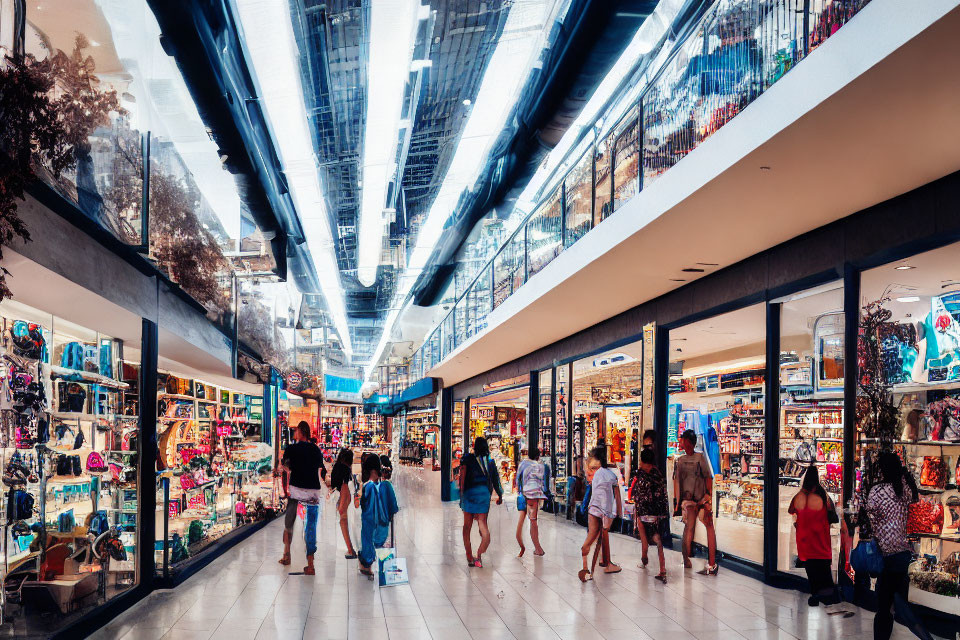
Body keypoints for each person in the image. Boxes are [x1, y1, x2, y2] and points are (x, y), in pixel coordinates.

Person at [866, 451, 923, 640]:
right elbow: (914, 505)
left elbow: (870, 518)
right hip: (904, 553)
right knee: (901, 605)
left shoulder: (877, 491)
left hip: (885, 554)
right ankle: (922, 633)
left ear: (882, 470)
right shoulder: (906, 488)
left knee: (884, 607)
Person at [788, 466, 851, 614]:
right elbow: (832, 514)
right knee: (822, 567)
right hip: (820, 538)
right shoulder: (823, 495)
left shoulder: (799, 496)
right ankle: (827, 596)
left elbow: (791, 511)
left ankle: (815, 594)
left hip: (805, 538)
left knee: (810, 568)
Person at [278, 421, 325, 575]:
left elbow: (286, 467)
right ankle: (310, 564)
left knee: (289, 523)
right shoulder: (316, 450)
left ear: (300, 432)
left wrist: (285, 468)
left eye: (296, 430)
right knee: (311, 526)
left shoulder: (291, 449)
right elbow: (320, 469)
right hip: (313, 492)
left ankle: (287, 555)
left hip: (296, 491)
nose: (294, 433)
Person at [673, 429, 717, 574]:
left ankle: (690, 561)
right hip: (698, 500)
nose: (681, 442)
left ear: (687, 442)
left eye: (683, 440)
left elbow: (677, 482)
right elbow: (708, 477)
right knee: (704, 528)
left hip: (694, 500)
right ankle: (710, 564)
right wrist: (707, 496)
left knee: (690, 528)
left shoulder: (684, 460)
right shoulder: (695, 458)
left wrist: (678, 503)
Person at [458, 437, 503, 568]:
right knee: (483, 524)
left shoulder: (467, 459)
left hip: (470, 494)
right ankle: (479, 553)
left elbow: (462, 478)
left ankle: (469, 556)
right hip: (484, 494)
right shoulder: (490, 462)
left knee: (467, 527)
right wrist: (500, 494)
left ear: (475, 446)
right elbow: (496, 480)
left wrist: (461, 495)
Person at [580, 447, 622, 579]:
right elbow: (617, 497)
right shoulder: (611, 475)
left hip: (593, 508)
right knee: (603, 535)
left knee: (593, 536)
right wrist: (620, 514)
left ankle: (587, 566)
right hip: (605, 511)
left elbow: (592, 488)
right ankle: (607, 563)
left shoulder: (595, 473)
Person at [630, 448, 669, 583]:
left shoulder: (640, 474)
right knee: (657, 539)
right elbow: (663, 493)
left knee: (643, 536)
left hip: (643, 511)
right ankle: (662, 568)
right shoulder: (658, 474)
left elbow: (638, 493)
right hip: (657, 512)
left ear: (641, 460)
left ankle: (644, 559)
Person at [357, 454, 399, 578]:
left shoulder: (367, 487)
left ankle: (367, 566)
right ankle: (386, 572)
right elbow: (394, 507)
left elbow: (363, 507)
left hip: (370, 524)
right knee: (383, 546)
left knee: (368, 543)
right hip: (383, 525)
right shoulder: (386, 486)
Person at [515, 443, 550, 557]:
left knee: (523, 522)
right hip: (536, 494)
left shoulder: (523, 463)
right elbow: (544, 482)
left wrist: (519, 490)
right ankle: (537, 548)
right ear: (538, 456)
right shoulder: (541, 466)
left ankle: (527, 548)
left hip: (526, 493)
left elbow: (518, 478)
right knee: (533, 520)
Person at [329, 448, 357, 559]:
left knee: (343, 522)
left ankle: (350, 549)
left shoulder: (338, 467)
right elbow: (345, 486)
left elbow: (342, 486)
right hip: (344, 499)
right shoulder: (345, 468)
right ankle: (350, 549)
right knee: (345, 522)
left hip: (340, 499)